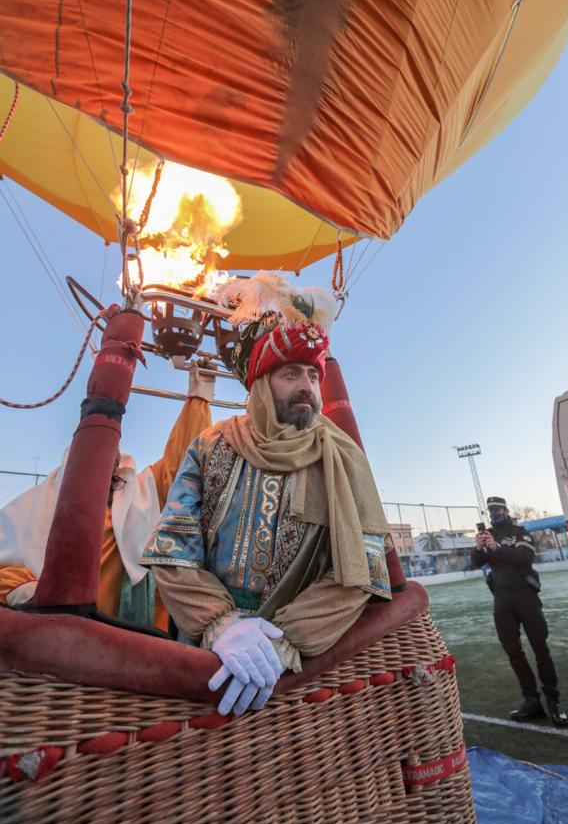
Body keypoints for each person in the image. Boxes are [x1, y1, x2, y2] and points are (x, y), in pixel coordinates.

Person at [140, 273, 392, 716]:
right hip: (208, 656)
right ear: (260, 385)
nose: (307, 386)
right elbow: (172, 551)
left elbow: (361, 574)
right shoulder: (210, 445)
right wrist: (222, 626)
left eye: (313, 375)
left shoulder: (343, 456)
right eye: (291, 373)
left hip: (298, 667)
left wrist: (282, 643)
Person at [0, 365, 214, 630]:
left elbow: (183, 461)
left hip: (134, 630)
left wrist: (199, 396)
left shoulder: (142, 491)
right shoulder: (32, 506)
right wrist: (24, 589)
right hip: (50, 635)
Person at [472, 496, 568, 727]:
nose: (495, 513)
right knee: (512, 650)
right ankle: (531, 700)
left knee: (540, 648)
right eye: (491, 510)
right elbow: (477, 562)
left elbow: (525, 557)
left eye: (498, 509)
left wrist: (498, 547)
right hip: (502, 599)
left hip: (526, 595)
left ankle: (553, 701)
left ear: (506, 510)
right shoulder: (489, 534)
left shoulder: (519, 532)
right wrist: (478, 547)